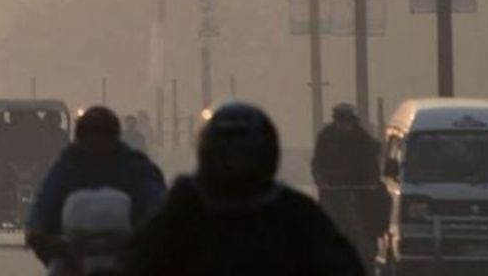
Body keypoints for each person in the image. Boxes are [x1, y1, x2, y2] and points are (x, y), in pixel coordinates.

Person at [126, 102, 366, 276]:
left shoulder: (293, 212)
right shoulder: (184, 207)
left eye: (246, 157)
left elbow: (341, 266)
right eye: (226, 157)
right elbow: (137, 261)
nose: (236, 167)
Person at [26, 106, 167, 267]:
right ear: (79, 138)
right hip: (73, 257)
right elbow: (46, 201)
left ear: (114, 137)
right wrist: (36, 229)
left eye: (103, 134)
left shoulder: (133, 165)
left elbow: (156, 199)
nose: (96, 141)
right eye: (90, 135)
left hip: (127, 254)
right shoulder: (68, 165)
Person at [312, 103, 383, 266]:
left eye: (346, 121)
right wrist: (321, 181)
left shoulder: (362, 137)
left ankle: (374, 242)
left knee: (379, 204)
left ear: (352, 121)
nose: (343, 125)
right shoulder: (326, 137)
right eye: (339, 120)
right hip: (333, 189)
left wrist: (373, 181)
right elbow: (317, 163)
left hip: (361, 188)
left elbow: (372, 161)